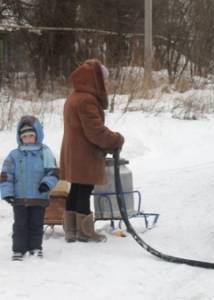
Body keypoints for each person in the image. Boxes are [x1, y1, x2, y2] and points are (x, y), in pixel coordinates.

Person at [60, 59, 124, 243]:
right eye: (103, 79)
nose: (105, 84)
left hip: (74, 152)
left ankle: (71, 230)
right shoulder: (86, 99)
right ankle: (85, 232)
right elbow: (95, 131)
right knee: (84, 190)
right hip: (84, 154)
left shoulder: (74, 96)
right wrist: (116, 139)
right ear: (94, 80)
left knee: (76, 189)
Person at [1, 115, 58, 261]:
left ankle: (35, 247)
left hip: (39, 197)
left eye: (31, 135)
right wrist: (7, 192)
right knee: (20, 225)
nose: (28, 139)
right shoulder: (14, 155)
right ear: (20, 138)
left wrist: (46, 184)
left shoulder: (44, 153)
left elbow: (52, 172)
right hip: (19, 198)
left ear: (37, 135)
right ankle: (19, 249)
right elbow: (6, 175)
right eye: (24, 136)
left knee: (36, 224)